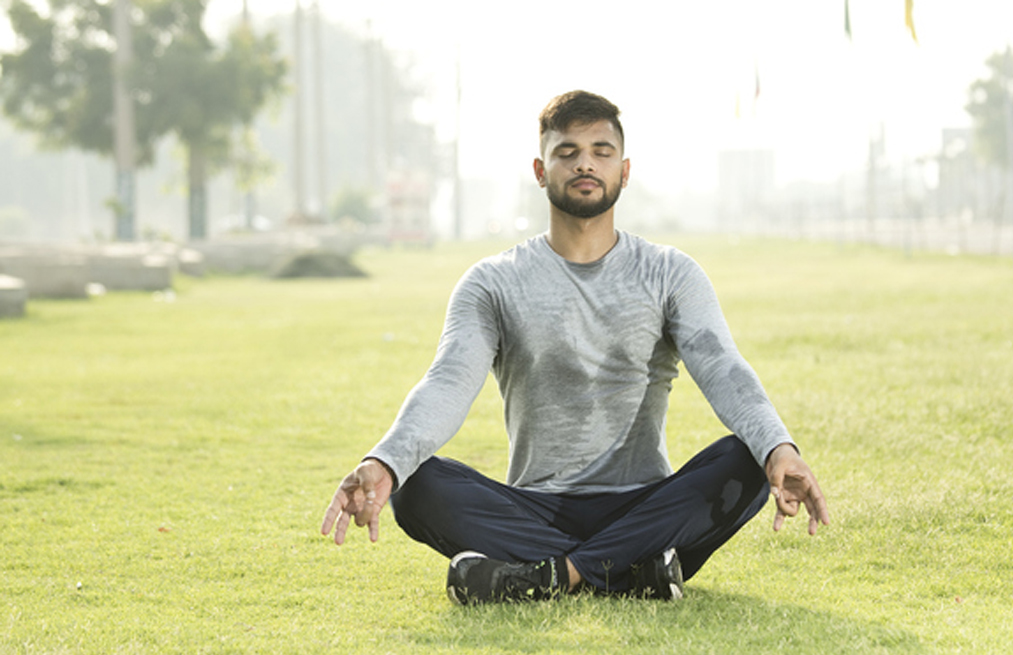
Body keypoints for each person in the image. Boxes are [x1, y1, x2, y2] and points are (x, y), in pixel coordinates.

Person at [321, 90, 829, 604]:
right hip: (535, 507)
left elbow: (724, 369)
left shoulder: (670, 273)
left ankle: (547, 577)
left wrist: (780, 448)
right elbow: (447, 381)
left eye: (601, 151)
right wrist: (385, 462)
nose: (585, 162)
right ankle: (634, 573)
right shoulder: (492, 283)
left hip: (643, 505)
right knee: (416, 483)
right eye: (567, 152)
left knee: (749, 458)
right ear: (541, 171)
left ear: (624, 171)